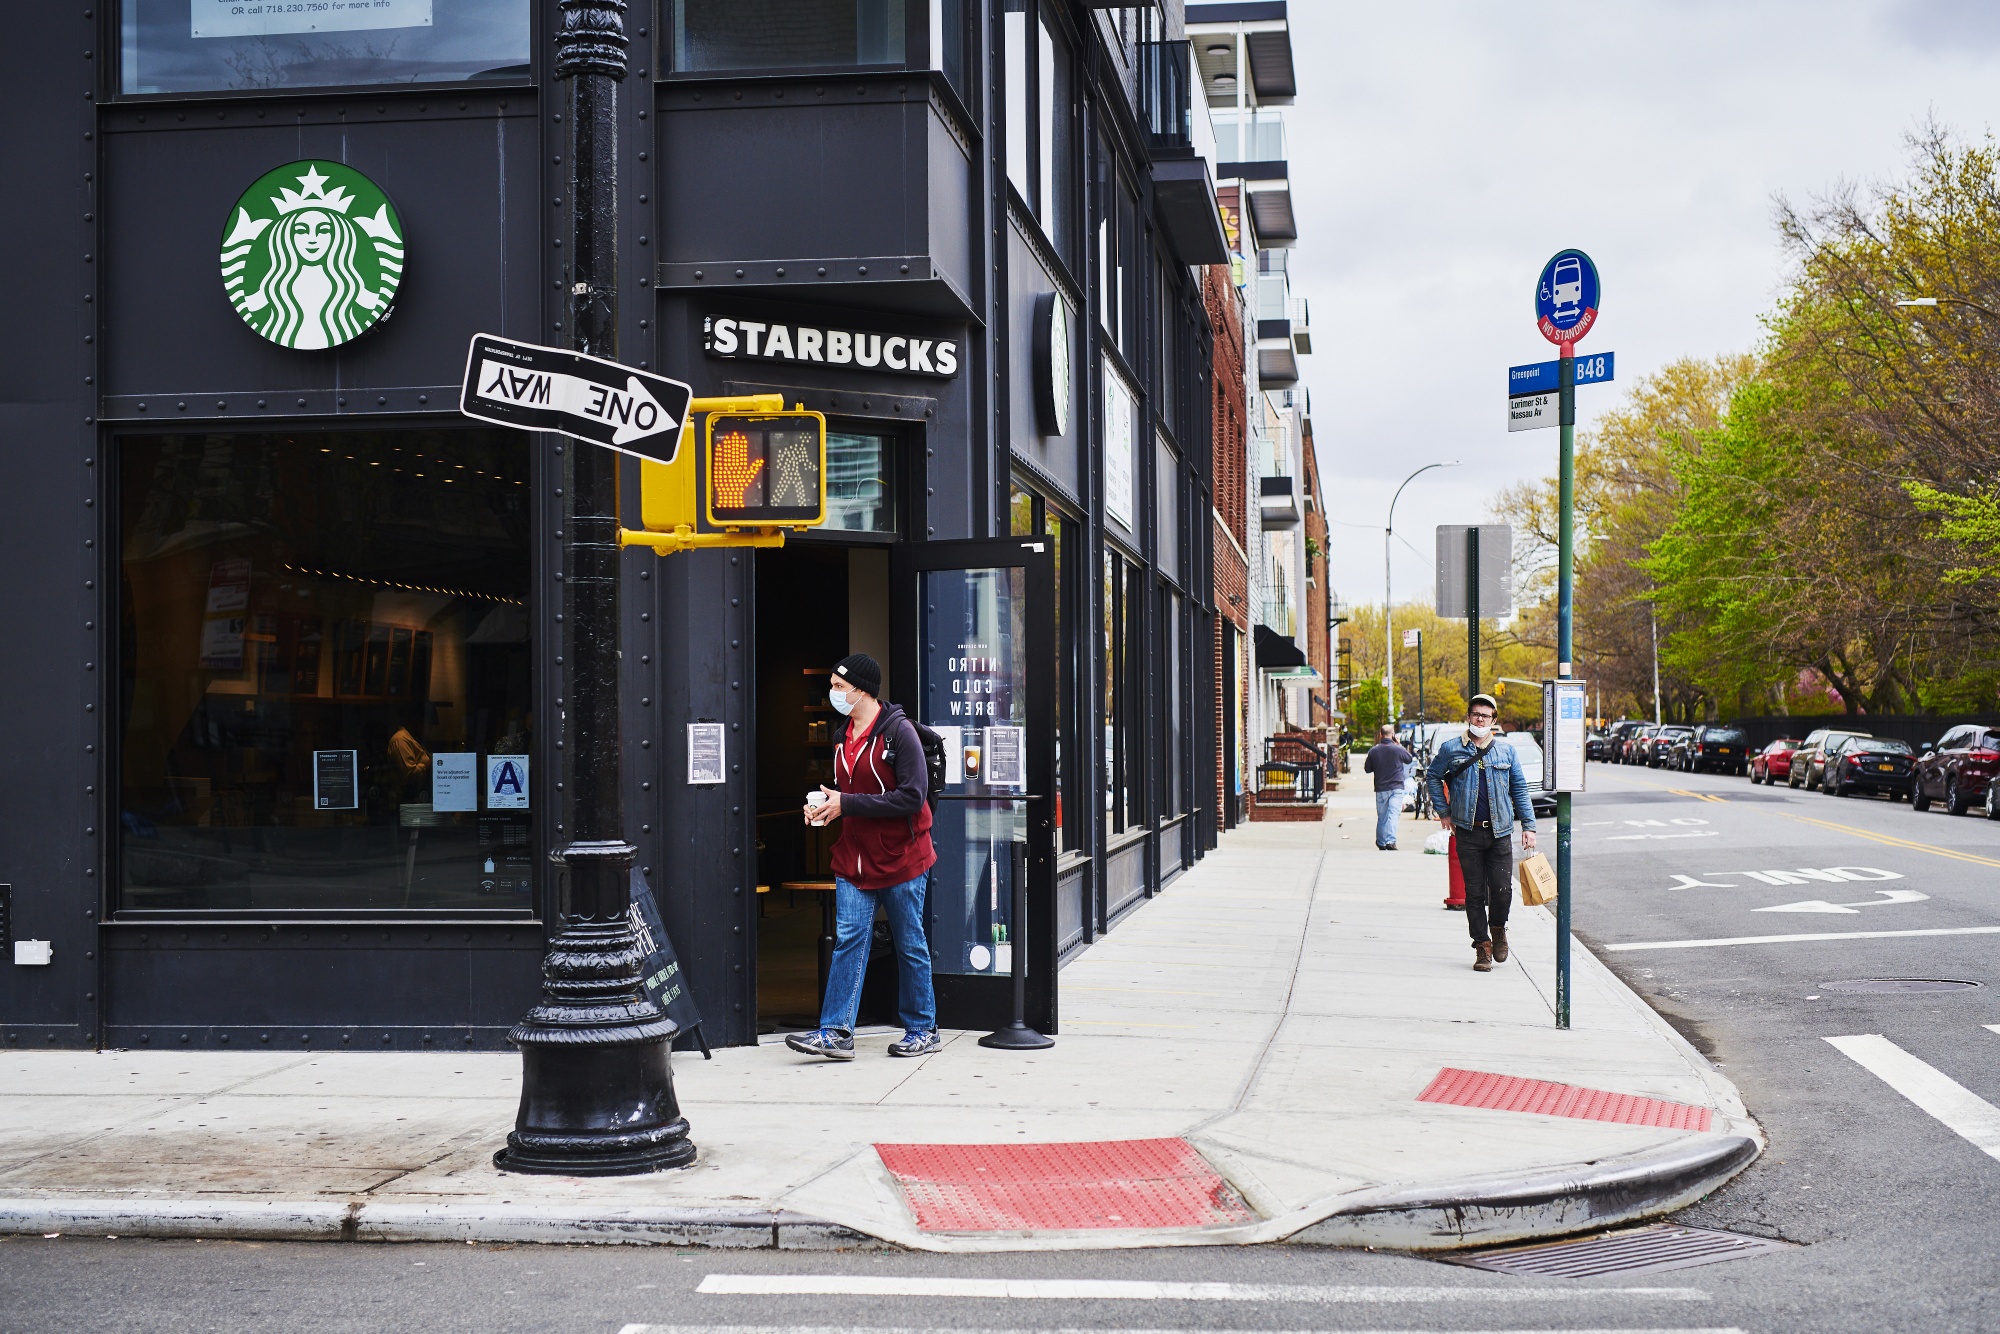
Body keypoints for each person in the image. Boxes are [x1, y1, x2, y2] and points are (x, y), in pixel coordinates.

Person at [787, 652, 940, 1060]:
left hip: (903, 857)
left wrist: (847, 805)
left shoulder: (899, 733)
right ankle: (836, 1031)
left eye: (839, 687)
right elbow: (846, 794)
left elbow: (912, 797)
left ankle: (923, 1028)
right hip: (853, 858)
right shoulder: (841, 737)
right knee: (849, 941)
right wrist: (823, 807)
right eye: (833, 686)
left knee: (910, 942)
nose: (832, 694)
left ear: (863, 690)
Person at [1425, 695, 1538, 972]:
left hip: (1499, 833)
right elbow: (1432, 776)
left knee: (1501, 890)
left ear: (1493, 721)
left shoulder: (1507, 752)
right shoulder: (1452, 749)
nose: (1479, 719)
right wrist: (1444, 811)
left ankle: (1498, 928)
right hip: (1467, 832)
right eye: (1475, 714)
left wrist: (1529, 826)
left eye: (1485, 716)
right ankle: (1482, 946)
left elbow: (1520, 790)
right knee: (1474, 894)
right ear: (1468, 717)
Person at [1363, 724, 1414, 850]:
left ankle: (1381, 842)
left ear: (1381, 735)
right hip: (1396, 787)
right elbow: (1409, 759)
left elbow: (1367, 769)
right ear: (1393, 735)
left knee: (1382, 816)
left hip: (1381, 788)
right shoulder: (1398, 749)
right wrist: (1399, 744)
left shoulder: (1374, 751)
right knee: (1393, 815)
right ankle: (1390, 841)